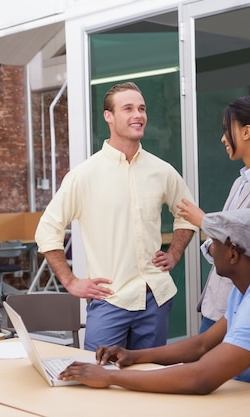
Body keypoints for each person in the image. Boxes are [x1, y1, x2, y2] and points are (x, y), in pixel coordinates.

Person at [58, 209, 250, 402]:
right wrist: (133, 355)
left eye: (213, 243)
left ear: (233, 253)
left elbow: (202, 379)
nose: (209, 249)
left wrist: (109, 379)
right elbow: (202, 345)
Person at [35, 82, 197, 351]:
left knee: (151, 380)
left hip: (155, 299)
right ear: (108, 116)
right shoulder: (85, 175)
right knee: (100, 380)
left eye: (142, 109)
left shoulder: (162, 171)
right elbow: (47, 230)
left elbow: (189, 214)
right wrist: (70, 281)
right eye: (128, 108)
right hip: (110, 301)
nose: (138, 115)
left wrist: (175, 253)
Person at [177, 95, 250, 332]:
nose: (223, 138)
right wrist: (218, 238)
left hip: (241, 306)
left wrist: (204, 221)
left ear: (246, 132)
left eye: (227, 129)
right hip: (218, 303)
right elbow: (221, 241)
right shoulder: (240, 181)